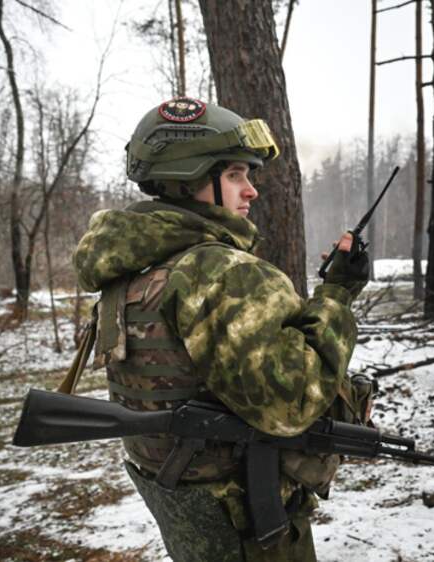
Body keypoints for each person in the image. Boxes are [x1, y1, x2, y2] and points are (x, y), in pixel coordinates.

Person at [72, 97, 370, 561]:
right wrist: (337, 295)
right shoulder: (220, 273)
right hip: (249, 526)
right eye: (234, 175)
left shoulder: (133, 270)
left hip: (187, 513)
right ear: (190, 177)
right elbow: (292, 403)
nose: (251, 191)